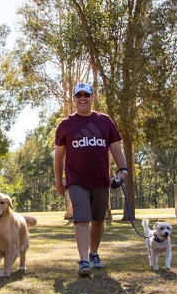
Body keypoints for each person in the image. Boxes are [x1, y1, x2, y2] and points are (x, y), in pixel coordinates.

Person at [54, 82, 128, 276]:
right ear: (74, 99)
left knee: (98, 220)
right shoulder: (65, 125)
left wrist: (124, 169)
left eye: (86, 95)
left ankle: (93, 253)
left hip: (101, 180)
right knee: (82, 219)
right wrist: (58, 181)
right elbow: (59, 156)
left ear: (92, 97)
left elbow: (116, 148)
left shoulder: (104, 121)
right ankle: (84, 260)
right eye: (78, 95)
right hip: (76, 180)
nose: (82, 98)